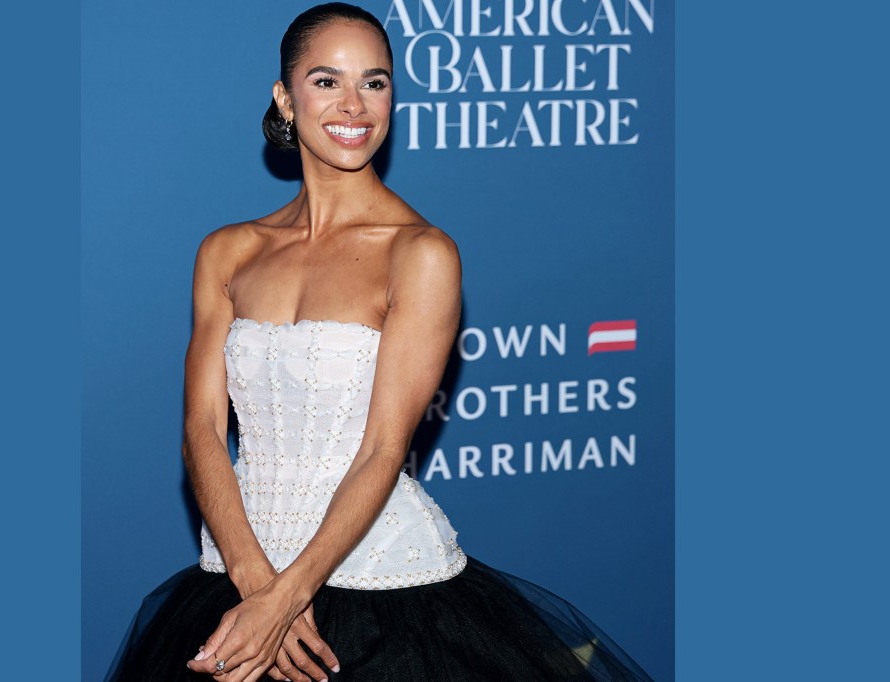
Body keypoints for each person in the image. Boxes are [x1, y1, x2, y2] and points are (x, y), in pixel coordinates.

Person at [106, 4, 652, 681]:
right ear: (285, 96)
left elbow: (384, 449)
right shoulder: (228, 251)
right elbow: (201, 429)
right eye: (327, 80)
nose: (355, 105)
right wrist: (256, 586)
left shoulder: (421, 254)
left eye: (376, 81)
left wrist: (289, 595)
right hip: (237, 575)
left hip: (380, 589)